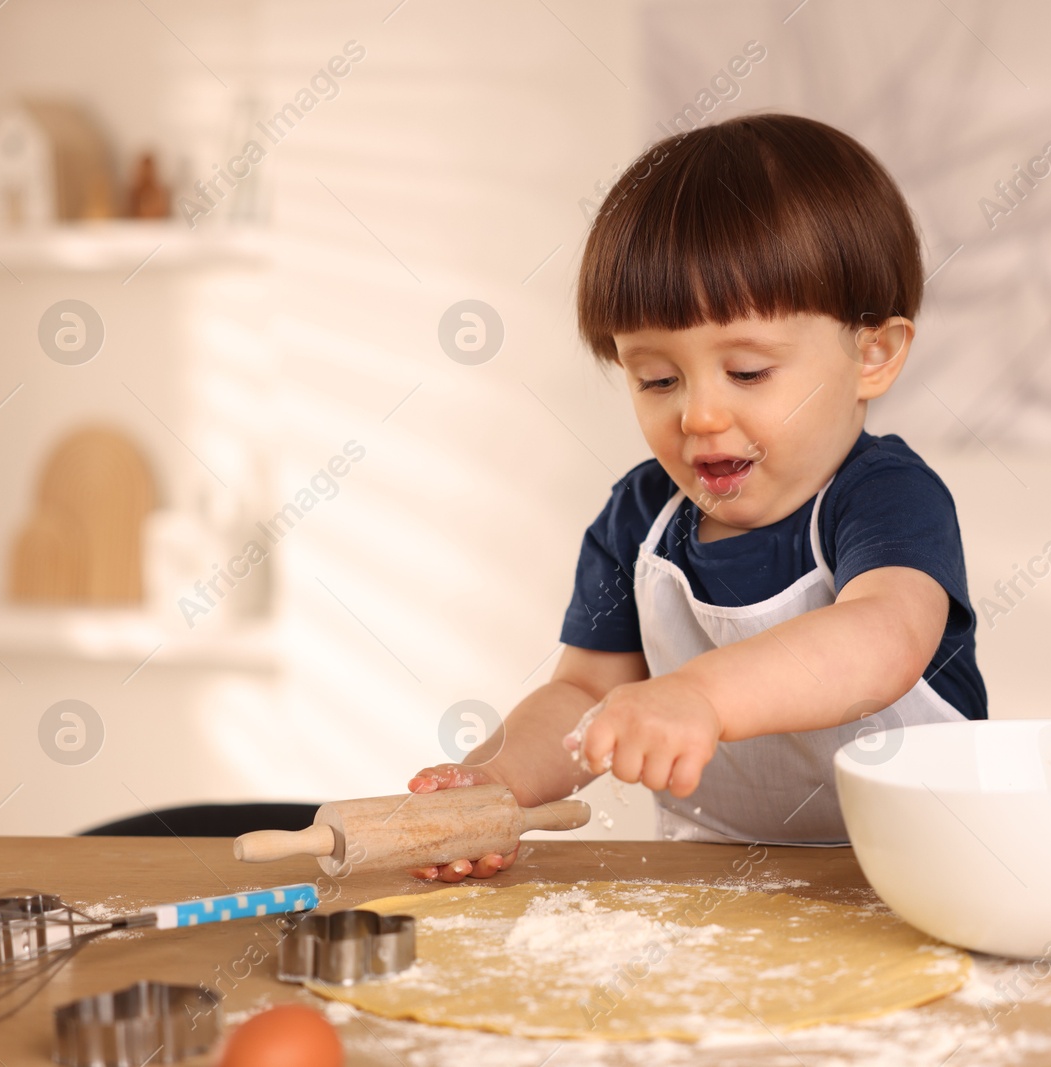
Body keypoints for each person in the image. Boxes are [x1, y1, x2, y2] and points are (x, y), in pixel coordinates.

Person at [408, 113, 986, 880]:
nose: (699, 415)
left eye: (747, 372)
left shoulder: (885, 497)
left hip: (915, 884)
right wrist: (497, 787)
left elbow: (880, 639)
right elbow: (582, 691)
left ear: (872, 354)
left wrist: (701, 697)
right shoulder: (640, 518)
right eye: (657, 378)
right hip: (717, 890)